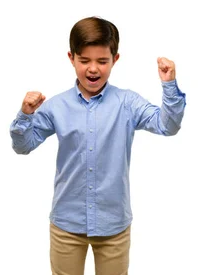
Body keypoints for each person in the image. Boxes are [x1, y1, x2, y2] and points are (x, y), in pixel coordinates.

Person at [9, 16, 186, 275]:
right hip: (67, 224)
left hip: (113, 225)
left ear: (115, 59)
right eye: (84, 61)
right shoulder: (56, 106)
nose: (93, 69)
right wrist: (25, 115)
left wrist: (169, 85)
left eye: (102, 61)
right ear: (71, 58)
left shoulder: (128, 103)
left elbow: (167, 126)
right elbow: (23, 146)